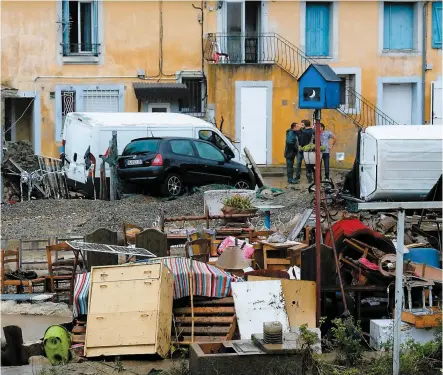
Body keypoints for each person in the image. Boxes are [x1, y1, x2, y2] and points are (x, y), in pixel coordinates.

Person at [294, 119, 315, 183]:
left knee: (303, 164)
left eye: (302, 124)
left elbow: (303, 140)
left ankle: (305, 177)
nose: (301, 125)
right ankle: (307, 177)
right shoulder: (310, 131)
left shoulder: (306, 131)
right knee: (305, 164)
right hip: (305, 149)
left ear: (305, 125)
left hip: (305, 149)